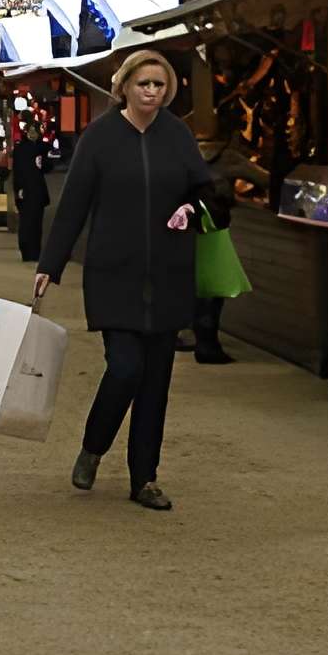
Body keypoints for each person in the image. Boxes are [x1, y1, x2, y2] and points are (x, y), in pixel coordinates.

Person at [35, 47, 218, 512]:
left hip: (170, 274)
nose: (152, 92)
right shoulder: (100, 137)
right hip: (113, 273)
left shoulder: (177, 137)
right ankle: (94, 447)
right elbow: (73, 204)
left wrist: (191, 209)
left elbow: (210, 195)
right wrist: (49, 265)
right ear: (125, 87)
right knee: (125, 367)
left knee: (156, 381)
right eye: (144, 84)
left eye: (159, 85)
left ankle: (145, 479)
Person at [189, 131, 276, 365]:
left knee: (192, 284)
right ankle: (207, 344)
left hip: (185, 227)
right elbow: (266, 180)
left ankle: (188, 336)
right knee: (214, 288)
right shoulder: (228, 157)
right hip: (213, 225)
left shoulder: (179, 152)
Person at [7, 113, 57, 263]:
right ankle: (28, 250)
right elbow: (17, 171)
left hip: (35, 190)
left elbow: (48, 166)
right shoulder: (22, 149)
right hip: (27, 190)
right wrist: (18, 189)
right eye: (31, 131)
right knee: (28, 223)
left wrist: (43, 164)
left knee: (34, 223)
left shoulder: (41, 147)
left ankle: (33, 251)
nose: (33, 134)